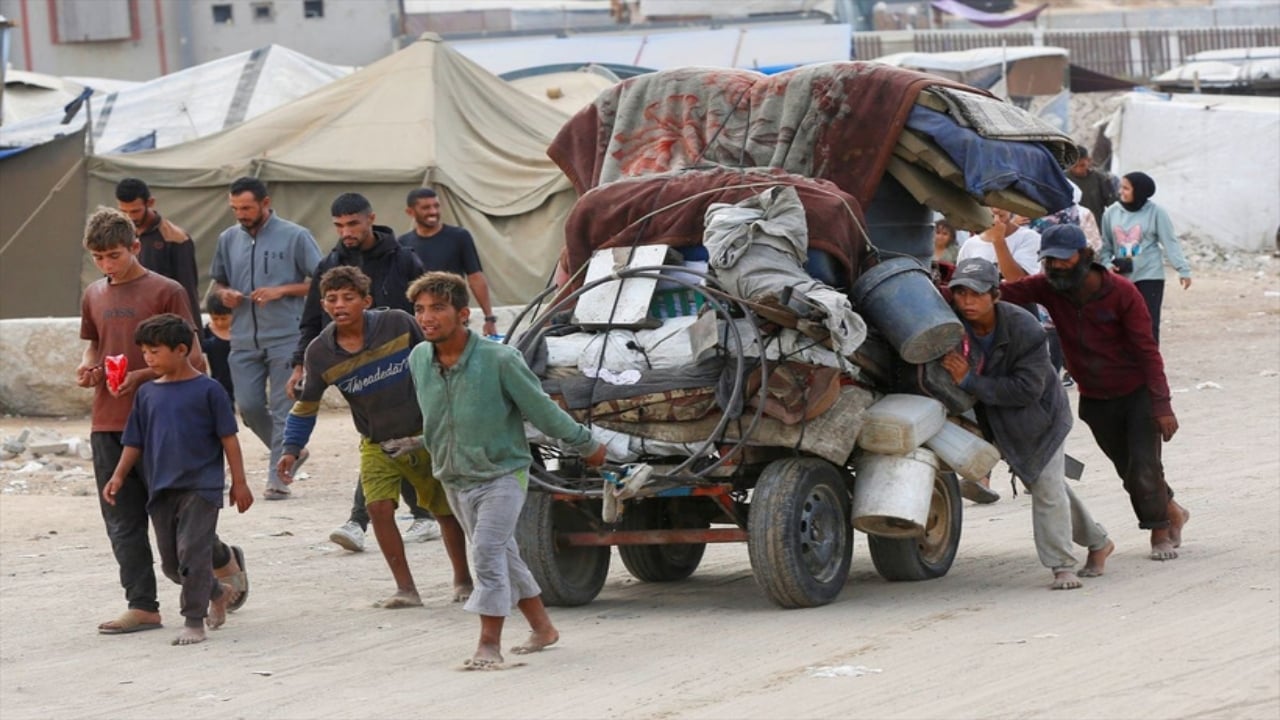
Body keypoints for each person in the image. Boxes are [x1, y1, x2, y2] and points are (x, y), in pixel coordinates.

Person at [407, 271, 606, 670]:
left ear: (463, 313)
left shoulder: (499, 359)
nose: (427, 317)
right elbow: (438, 418)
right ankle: (543, 628)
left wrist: (586, 444)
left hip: (502, 474)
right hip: (453, 477)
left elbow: (542, 410)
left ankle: (488, 644)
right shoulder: (418, 360)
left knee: (486, 552)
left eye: (438, 308)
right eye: (420, 309)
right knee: (504, 553)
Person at [77, 207, 249, 635]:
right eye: (98, 257)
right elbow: (93, 345)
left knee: (176, 516)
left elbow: (194, 358)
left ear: (135, 246)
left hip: (163, 421)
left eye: (114, 255)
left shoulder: (167, 290)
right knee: (121, 517)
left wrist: (142, 375)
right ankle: (142, 605)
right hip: (109, 419)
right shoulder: (93, 294)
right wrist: (88, 367)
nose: (106, 265)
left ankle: (222, 558)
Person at [277, 267, 472, 608]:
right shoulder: (320, 352)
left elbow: (438, 357)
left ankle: (463, 579)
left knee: (444, 511)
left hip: (425, 434)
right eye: (332, 299)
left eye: (348, 298)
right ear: (323, 305)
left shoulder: (397, 323)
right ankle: (406, 589)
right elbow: (306, 406)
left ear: (366, 301)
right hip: (376, 441)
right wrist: (291, 449)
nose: (340, 305)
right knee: (378, 508)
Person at [999, 224, 1190, 561]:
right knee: (1128, 470)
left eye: (1064, 259)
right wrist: (951, 283)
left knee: (1145, 466)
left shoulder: (1122, 293)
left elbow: (1148, 351)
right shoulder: (1048, 286)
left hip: (1137, 394)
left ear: (1085, 256)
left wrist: (1162, 405)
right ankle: (1173, 510)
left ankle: (1160, 531)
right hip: (1096, 399)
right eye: (1049, 260)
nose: (1056, 266)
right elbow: (1002, 292)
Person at [942, 259, 1114, 590]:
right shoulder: (953, 323)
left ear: (995, 295)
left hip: (1041, 418)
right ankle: (1098, 541)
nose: (967, 302)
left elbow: (1027, 389)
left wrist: (969, 381)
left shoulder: (1025, 328)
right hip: (996, 419)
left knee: (1046, 488)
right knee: (1047, 486)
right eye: (960, 293)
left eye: (976, 294)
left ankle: (1062, 565)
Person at [285, 193, 438, 550]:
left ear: (370, 219)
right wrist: (300, 364)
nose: (346, 232)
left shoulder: (403, 260)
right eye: (339, 226)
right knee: (379, 437)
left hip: (402, 362)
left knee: (401, 440)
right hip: (357, 368)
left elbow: (426, 308)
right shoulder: (329, 266)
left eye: (353, 223)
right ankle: (371, 520)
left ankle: (407, 518)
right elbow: (310, 320)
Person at [102, 314, 254, 645]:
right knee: (172, 566)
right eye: (144, 351)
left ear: (182, 349)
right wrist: (118, 475)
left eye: (155, 351)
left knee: (192, 554)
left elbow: (229, 439)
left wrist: (239, 482)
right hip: (161, 487)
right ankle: (217, 591)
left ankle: (194, 621)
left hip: (201, 486)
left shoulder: (209, 390)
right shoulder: (146, 394)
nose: (148, 358)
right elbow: (134, 441)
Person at [210, 177, 321, 501]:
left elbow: (323, 281)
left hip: (287, 336)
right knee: (249, 407)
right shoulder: (228, 238)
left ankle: (278, 479)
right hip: (243, 338)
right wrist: (225, 295)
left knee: (284, 408)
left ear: (265, 203)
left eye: (246, 208)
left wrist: (282, 290)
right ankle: (293, 451)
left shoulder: (296, 235)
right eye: (235, 208)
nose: (240, 214)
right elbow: (218, 283)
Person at [1099, 171, 1192, 344]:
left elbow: (1170, 242)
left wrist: (1182, 269)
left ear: (1139, 191)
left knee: (1148, 323)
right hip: (1121, 278)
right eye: (1121, 187)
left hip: (1150, 275)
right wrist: (1107, 264)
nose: (1121, 192)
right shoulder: (1111, 213)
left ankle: (1149, 359)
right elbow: (1105, 246)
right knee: (1121, 323)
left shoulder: (1156, 212)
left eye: (1126, 188)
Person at [399, 188, 499, 338]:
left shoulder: (459, 237)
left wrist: (489, 317)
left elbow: (475, 277)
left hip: (452, 317)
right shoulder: (403, 243)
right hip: (422, 323)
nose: (433, 211)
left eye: (436, 206)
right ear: (410, 212)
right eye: (426, 208)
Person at [115, 178, 201, 320]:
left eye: (135, 211)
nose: (129, 217)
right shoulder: (118, 235)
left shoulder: (175, 238)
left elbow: (188, 293)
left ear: (150, 203)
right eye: (124, 211)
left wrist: (193, 330)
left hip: (161, 323)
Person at [1065, 144, 1118, 224]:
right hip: (1070, 225)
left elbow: (1113, 206)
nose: (1078, 170)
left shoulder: (1101, 179)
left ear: (1089, 160)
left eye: (1082, 165)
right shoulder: (1063, 179)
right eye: (1075, 166)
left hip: (1095, 226)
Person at [200, 289, 235, 408]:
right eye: (215, 318)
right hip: (219, 380)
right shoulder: (206, 332)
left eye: (224, 318)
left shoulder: (241, 331)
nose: (219, 323)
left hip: (240, 377)